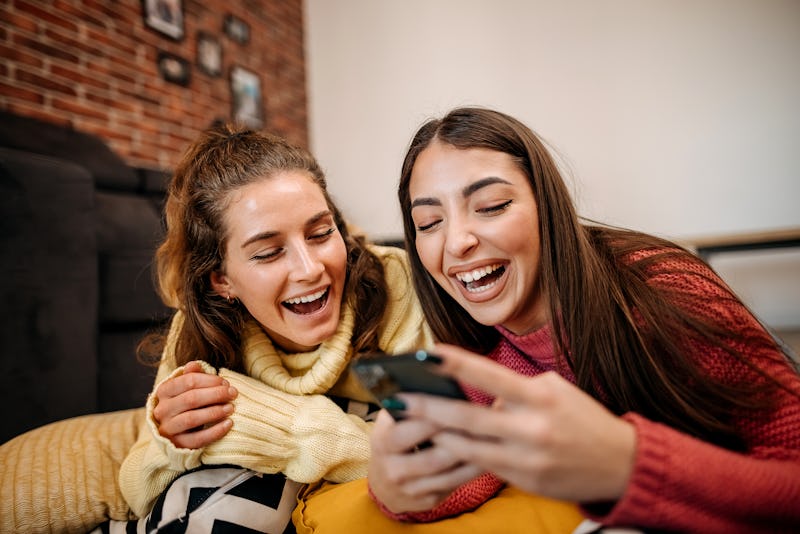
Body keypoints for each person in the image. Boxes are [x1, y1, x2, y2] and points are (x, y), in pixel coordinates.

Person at [366, 107, 800, 533]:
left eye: (492, 206)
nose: (457, 241)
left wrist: (627, 464)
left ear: (546, 205)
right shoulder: (480, 353)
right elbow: (475, 475)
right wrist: (396, 489)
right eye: (430, 222)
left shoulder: (662, 290)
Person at [112, 123, 433, 532]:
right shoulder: (199, 333)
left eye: (321, 233)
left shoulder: (395, 288)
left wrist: (280, 425)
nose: (310, 268)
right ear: (221, 279)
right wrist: (168, 440)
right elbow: (136, 486)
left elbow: (438, 457)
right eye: (268, 252)